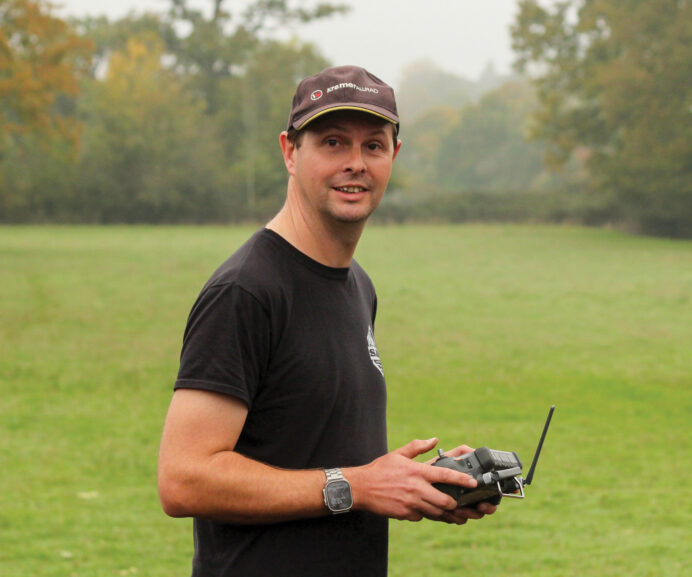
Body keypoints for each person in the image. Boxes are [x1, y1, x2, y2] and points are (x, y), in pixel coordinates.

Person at [157, 65, 497, 577]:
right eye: (333, 143)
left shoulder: (358, 285)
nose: (355, 164)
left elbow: (323, 455)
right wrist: (358, 485)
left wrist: (414, 483)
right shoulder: (246, 291)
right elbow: (184, 479)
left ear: (394, 157)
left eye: (373, 146)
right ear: (291, 152)